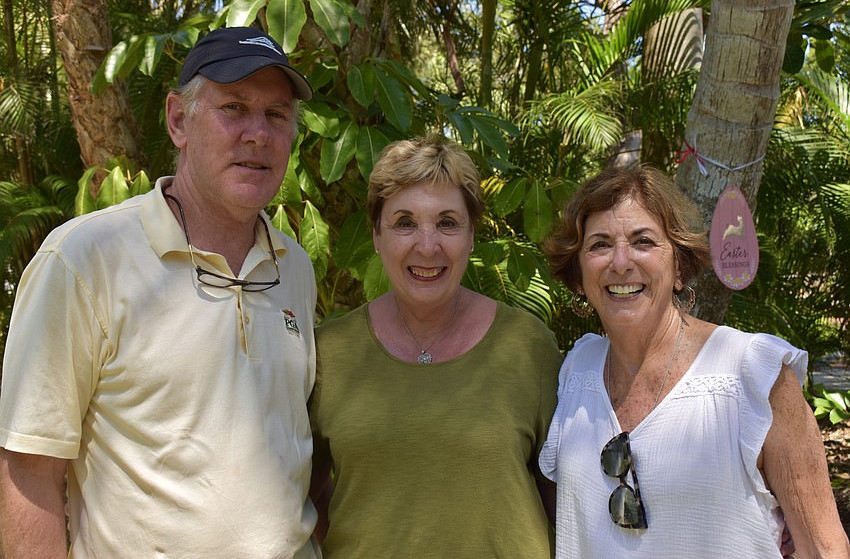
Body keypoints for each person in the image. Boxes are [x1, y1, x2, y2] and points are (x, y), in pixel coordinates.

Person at [0, 27, 320, 558]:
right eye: (234, 107)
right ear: (178, 121)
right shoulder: (84, 260)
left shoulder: (295, 267)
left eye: (277, 115)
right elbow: (27, 468)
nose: (258, 134)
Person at [539, 165, 850, 558]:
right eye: (600, 244)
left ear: (680, 268)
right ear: (579, 275)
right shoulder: (577, 371)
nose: (620, 262)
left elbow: (825, 549)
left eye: (643, 241)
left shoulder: (752, 374)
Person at [308, 133, 562, 557]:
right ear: (376, 235)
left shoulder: (529, 346)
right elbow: (309, 495)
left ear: (471, 236)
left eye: (447, 222)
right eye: (405, 223)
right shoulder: (330, 352)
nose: (427, 246)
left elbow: (563, 501)